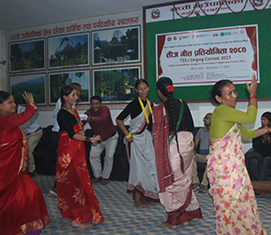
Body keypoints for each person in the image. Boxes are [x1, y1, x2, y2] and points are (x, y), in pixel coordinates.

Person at [207, 75, 271, 235]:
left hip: (234, 170)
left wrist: (267, 130)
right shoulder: (222, 111)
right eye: (229, 93)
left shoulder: (230, 116)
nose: (234, 96)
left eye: (235, 92)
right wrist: (253, 94)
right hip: (224, 170)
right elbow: (250, 117)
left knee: (242, 204)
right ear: (219, 98)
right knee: (229, 207)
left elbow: (247, 133)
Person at [0, 91, 49, 235]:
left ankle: (28, 227)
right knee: (5, 202)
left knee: (31, 192)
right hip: (4, 169)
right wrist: (30, 105)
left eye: (14, 102)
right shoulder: (4, 120)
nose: (14, 105)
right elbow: (26, 116)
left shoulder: (4, 119)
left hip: (14, 169)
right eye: (10, 102)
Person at [150, 77, 202, 228]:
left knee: (172, 182)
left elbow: (156, 134)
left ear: (160, 93)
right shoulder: (182, 103)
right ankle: (185, 216)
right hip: (187, 143)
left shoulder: (159, 110)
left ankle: (174, 219)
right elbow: (191, 125)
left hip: (172, 146)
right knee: (185, 180)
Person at [56, 84, 104, 228]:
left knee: (81, 183)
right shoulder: (62, 113)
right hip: (68, 153)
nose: (77, 97)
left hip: (77, 149)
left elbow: (78, 131)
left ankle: (82, 213)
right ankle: (77, 218)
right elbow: (71, 134)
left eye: (77, 95)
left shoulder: (74, 111)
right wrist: (89, 139)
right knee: (74, 184)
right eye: (73, 95)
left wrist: (85, 136)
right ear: (65, 97)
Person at [116, 79, 158, 208]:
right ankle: (136, 197)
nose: (143, 91)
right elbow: (119, 119)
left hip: (146, 139)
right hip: (134, 140)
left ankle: (145, 194)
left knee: (150, 166)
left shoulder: (151, 105)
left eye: (145, 88)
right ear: (136, 90)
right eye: (140, 89)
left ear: (148, 88)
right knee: (137, 169)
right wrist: (127, 135)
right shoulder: (134, 104)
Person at [49, 82, 87, 195]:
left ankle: (70, 188)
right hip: (62, 136)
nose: (78, 95)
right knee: (66, 164)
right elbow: (70, 122)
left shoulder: (70, 106)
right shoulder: (65, 106)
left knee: (72, 166)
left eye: (78, 93)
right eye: (76, 92)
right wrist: (88, 118)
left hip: (69, 136)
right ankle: (59, 188)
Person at [85, 95, 118, 185]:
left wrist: (90, 118)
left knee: (109, 157)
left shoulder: (105, 109)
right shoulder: (88, 112)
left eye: (96, 104)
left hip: (111, 138)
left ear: (101, 104)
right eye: (92, 104)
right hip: (98, 138)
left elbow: (102, 119)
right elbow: (81, 122)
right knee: (93, 156)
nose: (94, 106)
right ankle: (97, 175)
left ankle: (105, 177)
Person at [17, 102, 42, 177]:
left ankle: (32, 170)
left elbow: (26, 123)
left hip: (35, 132)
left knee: (28, 150)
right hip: (26, 134)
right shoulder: (12, 113)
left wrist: (15, 127)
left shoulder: (24, 110)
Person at [192, 113, 211, 192]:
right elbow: (195, 144)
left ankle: (204, 184)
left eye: (206, 118)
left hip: (211, 156)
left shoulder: (217, 130)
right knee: (190, 156)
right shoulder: (201, 131)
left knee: (211, 160)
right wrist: (193, 149)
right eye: (204, 118)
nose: (204, 120)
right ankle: (195, 182)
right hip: (201, 156)